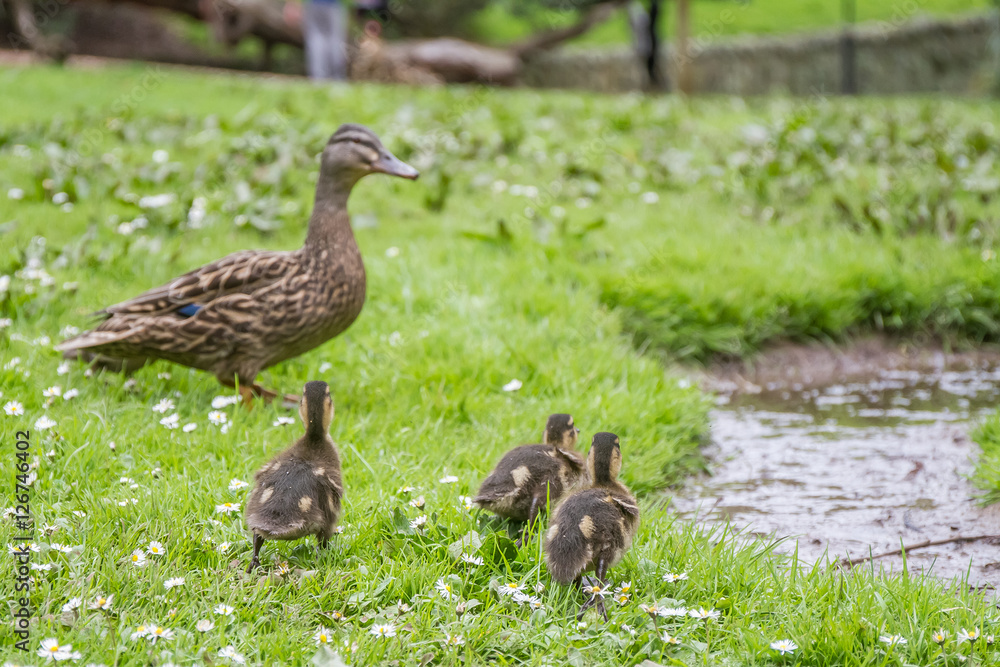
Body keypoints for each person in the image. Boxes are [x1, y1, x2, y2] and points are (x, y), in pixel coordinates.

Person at [293, 0, 349, 80]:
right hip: (334, 5)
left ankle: (318, 78)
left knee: (316, 40)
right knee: (335, 40)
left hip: (314, 5)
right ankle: (337, 78)